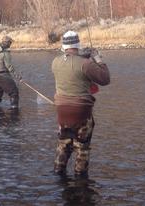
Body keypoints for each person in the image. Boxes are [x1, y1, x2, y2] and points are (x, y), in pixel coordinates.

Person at [51, 31, 110, 177]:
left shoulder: (55, 62)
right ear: (78, 44)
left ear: (64, 45)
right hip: (81, 114)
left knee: (63, 144)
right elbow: (105, 79)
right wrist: (98, 58)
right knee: (82, 147)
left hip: (62, 113)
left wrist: (83, 58)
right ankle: (80, 178)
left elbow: (71, 67)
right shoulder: (86, 63)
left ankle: (58, 173)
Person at [0, 36, 22, 111]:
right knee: (14, 92)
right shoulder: (5, 52)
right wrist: (18, 76)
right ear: (7, 43)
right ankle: (14, 114)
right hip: (3, 75)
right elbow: (9, 66)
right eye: (10, 42)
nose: (11, 44)